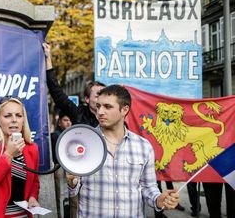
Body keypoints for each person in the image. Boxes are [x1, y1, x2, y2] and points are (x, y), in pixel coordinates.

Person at [66, 85, 180, 218]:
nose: (100, 112)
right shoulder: (83, 143)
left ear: (124, 110)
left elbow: (148, 186)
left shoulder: (143, 146)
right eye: (98, 106)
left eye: (107, 107)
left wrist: (158, 199)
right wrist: (71, 181)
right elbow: (73, 191)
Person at [44, 42, 105, 218]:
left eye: (104, 93)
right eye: (97, 94)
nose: (101, 98)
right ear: (87, 98)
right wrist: (48, 59)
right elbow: (56, 92)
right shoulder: (78, 112)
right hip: (81, 181)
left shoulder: (113, 118)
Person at [51, 111, 72, 218]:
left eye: (69, 120)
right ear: (59, 122)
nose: (68, 123)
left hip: (68, 166)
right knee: (61, 194)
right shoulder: (56, 134)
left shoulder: (69, 134)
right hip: (59, 166)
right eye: (65, 120)